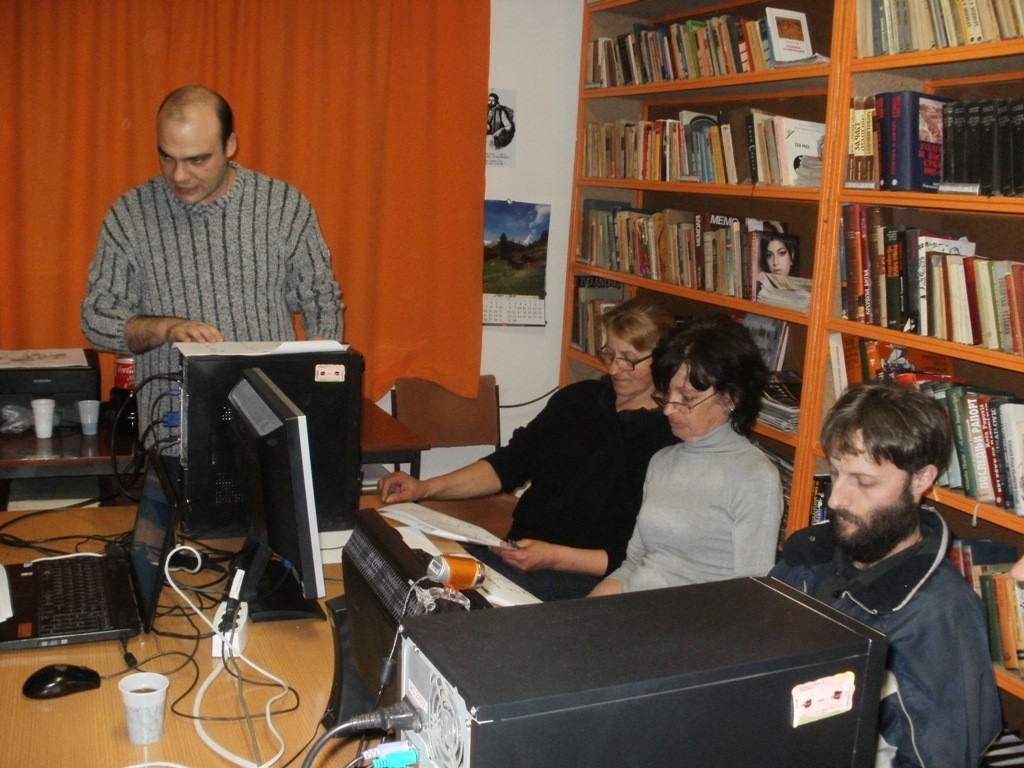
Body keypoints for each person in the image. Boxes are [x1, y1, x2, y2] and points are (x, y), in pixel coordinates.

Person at [81, 86, 343, 442]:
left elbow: (321, 303)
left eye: (197, 160)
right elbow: (97, 320)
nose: (179, 175)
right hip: (173, 437)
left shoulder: (282, 207)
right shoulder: (130, 215)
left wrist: (316, 392)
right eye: (167, 157)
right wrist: (166, 328)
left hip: (270, 433)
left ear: (229, 145)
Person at [378, 297, 678, 601]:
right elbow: (510, 463)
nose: (614, 368)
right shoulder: (578, 399)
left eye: (629, 359)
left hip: (583, 578)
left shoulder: (667, 438)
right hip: (518, 553)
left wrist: (552, 557)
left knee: (436, 596)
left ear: (663, 361)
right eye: (609, 353)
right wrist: (424, 488)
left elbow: (635, 557)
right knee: (408, 568)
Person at [770, 382, 1001, 767]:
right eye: (835, 473)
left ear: (920, 479)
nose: (836, 499)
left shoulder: (941, 616)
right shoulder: (810, 552)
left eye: (863, 482)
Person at [589, 314, 783, 596]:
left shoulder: (754, 476)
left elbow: (749, 595)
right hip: (633, 606)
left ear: (732, 397)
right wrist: (582, 613)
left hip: (692, 617)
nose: (669, 409)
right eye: (667, 395)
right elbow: (631, 566)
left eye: (687, 398)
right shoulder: (663, 461)